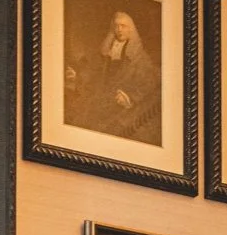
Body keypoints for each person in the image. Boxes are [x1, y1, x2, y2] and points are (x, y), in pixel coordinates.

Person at [65, 8, 161, 143]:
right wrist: (78, 76)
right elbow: (94, 72)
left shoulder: (140, 57)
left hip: (119, 103)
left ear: (130, 30)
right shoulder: (105, 51)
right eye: (116, 26)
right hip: (100, 98)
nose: (119, 29)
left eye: (123, 26)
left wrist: (130, 96)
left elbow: (151, 80)